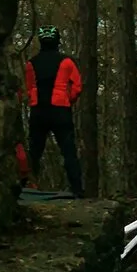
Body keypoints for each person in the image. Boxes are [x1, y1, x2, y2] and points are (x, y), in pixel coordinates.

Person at [24, 25, 86, 197]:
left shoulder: (31, 63)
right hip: (60, 111)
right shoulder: (67, 62)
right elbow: (77, 86)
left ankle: (25, 186)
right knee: (68, 152)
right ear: (57, 40)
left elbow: (28, 87)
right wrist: (68, 98)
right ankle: (77, 191)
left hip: (38, 111)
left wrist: (34, 99)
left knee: (34, 152)